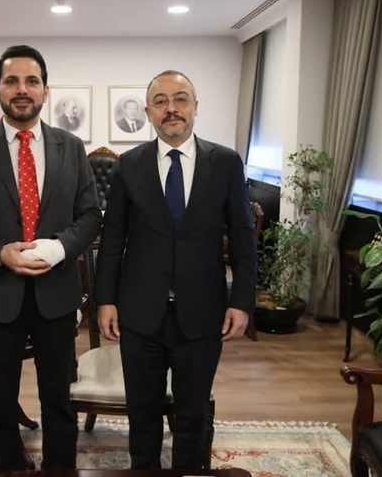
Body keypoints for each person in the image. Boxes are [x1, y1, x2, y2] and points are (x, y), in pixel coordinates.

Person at [0, 45, 102, 474]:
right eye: (12, 81)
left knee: (58, 397)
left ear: (46, 89)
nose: (22, 89)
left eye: (32, 81)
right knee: (1, 400)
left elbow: (90, 216)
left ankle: (59, 468)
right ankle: (8, 466)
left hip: (56, 294)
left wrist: (59, 248)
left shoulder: (71, 147)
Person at [94, 70, 257, 469]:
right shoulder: (129, 165)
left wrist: (242, 301)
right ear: (149, 111)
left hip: (202, 313)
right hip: (139, 312)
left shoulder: (225, 163)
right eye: (161, 101)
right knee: (142, 413)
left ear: (195, 107)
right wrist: (105, 300)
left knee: (192, 414)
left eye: (180, 99)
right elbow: (113, 239)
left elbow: (242, 237)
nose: (172, 109)